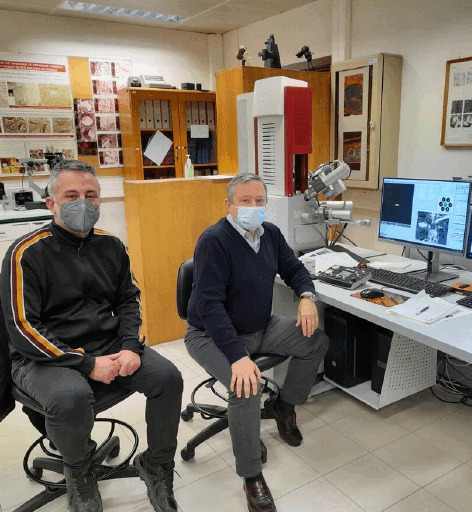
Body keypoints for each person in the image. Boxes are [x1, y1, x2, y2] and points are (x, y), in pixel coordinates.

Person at [0, 160, 183, 512]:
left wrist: (130, 346)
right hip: (43, 354)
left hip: (107, 344)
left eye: (90, 195)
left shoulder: (111, 246)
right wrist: (86, 364)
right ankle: (80, 475)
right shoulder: (25, 253)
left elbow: (129, 300)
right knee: (71, 396)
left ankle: (158, 465)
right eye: (71, 195)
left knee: (168, 378)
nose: (82, 203)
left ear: (100, 202)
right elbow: (23, 328)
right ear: (51, 203)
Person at [185, 173, 329, 512]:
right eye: (245, 201)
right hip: (210, 334)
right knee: (247, 385)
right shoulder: (214, 241)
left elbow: (294, 269)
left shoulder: (271, 235)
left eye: (259, 201)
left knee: (315, 342)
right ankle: (251, 476)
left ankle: (284, 406)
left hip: (259, 326)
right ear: (229, 206)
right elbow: (209, 306)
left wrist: (306, 296)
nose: (253, 207)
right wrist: (237, 357)